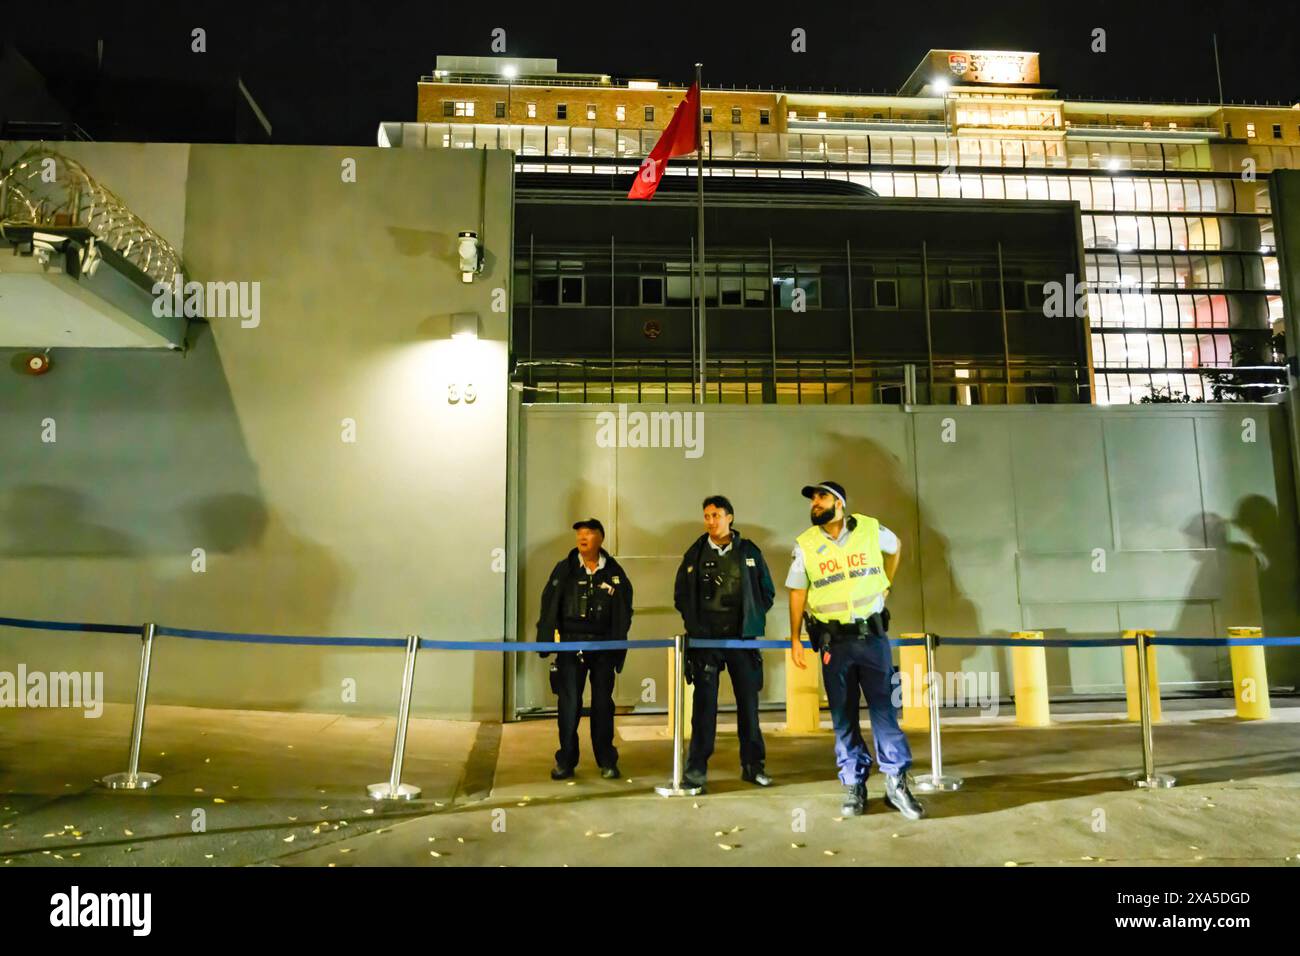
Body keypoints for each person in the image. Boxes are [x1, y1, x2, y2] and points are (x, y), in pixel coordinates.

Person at [786, 481, 925, 820]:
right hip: (835, 644)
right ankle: (854, 784)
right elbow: (797, 592)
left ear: (840, 503)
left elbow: (896, 548)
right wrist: (794, 637)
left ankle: (895, 782)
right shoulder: (805, 544)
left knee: (885, 713)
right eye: (813, 500)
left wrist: (886, 584)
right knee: (843, 718)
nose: (815, 504)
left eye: (821, 498)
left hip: (873, 639)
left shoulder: (870, 529)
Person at [673, 495, 776, 792]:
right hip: (706, 642)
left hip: (742, 641)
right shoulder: (694, 554)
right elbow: (681, 596)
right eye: (706, 515)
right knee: (704, 708)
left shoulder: (749, 552)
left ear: (730, 517)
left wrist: (751, 619)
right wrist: (696, 626)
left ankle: (753, 766)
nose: (710, 521)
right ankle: (696, 770)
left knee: (749, 705)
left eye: (716, 515)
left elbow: (766, 593)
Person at [536, 518, 633, 780]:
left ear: (600, 538)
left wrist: (617, 646)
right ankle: (566, 760)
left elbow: (624, 610)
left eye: (589, 533)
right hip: (570, 646)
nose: (582, 537)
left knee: (603, 705)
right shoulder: (564, 570)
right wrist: (545, 641)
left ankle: (607, 760)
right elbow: (549, 604)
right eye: (579, 533)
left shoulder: (614, 572)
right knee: (569, 705)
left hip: (603, 647)